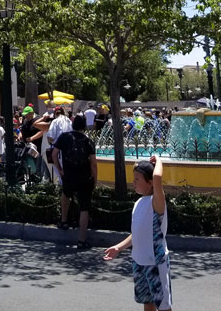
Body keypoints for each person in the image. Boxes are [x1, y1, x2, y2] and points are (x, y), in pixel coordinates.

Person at [104, 156, 171, 311]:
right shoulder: (139, 203)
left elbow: (157, 177)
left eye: (137, 179)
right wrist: (118, 247)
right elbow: (138, 234)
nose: (133, 183)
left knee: (163, 306)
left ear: (150, 183)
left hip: (155, 262)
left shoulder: (157, 201)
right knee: (147, 303)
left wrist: (159, 160)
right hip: (139, 261)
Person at [53, 114, 97, 248]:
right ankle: (82, 240)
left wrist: (59, 169)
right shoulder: (88, 141)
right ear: (84, 127)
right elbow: (93, 164)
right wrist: (95, 179)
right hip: (84, 178)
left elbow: (54, 154)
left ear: (72, 125)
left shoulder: (64, 137)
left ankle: (64, 220)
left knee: (65, 195)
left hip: (68, 175)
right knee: (84, 208)